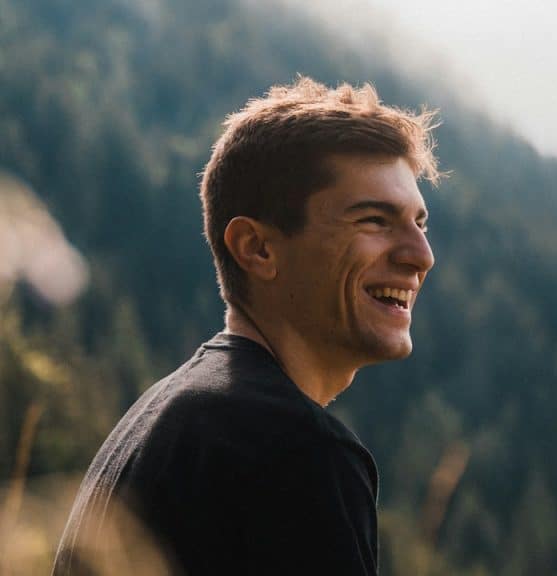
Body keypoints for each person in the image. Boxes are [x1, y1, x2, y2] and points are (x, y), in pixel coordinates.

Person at [53, 77, 440, 575]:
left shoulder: (163, 419)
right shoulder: (295, 451)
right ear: (258, 248)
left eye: (420, 223)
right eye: (374, 220)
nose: (420, 256)